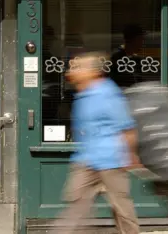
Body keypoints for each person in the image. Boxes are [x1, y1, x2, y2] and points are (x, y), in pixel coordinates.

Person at [50, 51, 140, 234]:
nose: (71, 71)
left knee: (121, 208)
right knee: (75, 201)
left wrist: (130, 155)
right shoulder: (81, 95)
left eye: (77, 68)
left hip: (111, 160)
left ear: (92, 72)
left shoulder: (108, 93)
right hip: (86, 159)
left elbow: (127, 127)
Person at [110, 24, 146, 88]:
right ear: (132, 40)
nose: (142, 43)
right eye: (140, 39)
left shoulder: (137, 59)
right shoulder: (116, 58)